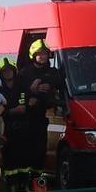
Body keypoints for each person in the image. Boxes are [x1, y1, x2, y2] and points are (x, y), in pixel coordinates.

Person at [13, 40, 66, 181]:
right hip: (27, 117)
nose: (42, 56)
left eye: (44, 53)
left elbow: (60, 82)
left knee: (41, 148)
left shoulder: (53, 72)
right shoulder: (24, 73)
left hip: (45, 115)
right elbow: (17, 92)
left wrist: (41, 83)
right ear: (33, 55)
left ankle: (38, 178)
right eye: (39, 54)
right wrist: (31, 92)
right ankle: (23, 179)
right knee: (26, 147)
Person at [0, 57, 34, 189]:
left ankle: (24, 184)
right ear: (0, 73)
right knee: (9, 157)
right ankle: (10, 185)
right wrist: (12, 111)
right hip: (6, 128)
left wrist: (30, 104)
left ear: (14, 70)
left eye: (9, 70)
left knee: (24, 156)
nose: (7, 73)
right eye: (4, 71)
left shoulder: (22, 85)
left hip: (24, 127)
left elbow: (30, 101)